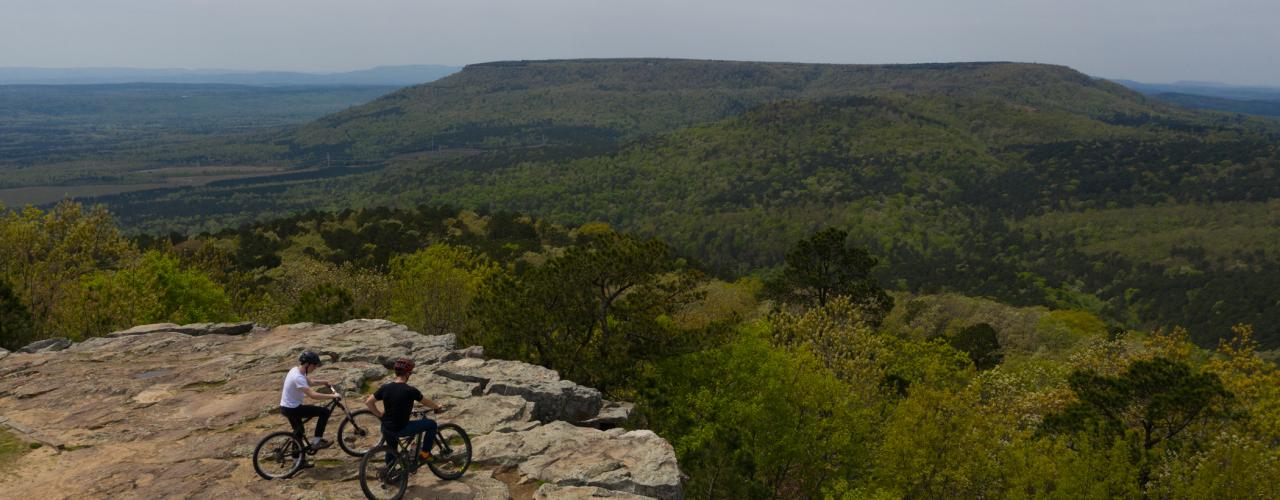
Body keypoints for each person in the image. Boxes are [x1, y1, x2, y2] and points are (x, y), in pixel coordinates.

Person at [365, 357, 445, 463]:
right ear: (407, 374)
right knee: (432, 424)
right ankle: (425, 453)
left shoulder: (385, 387)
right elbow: (426, 402)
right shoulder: (410, 390)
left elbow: (369, 402)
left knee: (392, 449)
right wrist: (437, 406)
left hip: (386, 428)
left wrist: (380, 415)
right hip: (401, 428)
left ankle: (390, 475)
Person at [280, 350, 341, 449]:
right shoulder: (297, 377)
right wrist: (333, 396)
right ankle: (317, 441)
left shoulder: (296, 370)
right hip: (292, 409)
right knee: (324, 412)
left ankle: (298, 461)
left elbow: (310, 382)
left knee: (299, 434)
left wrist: (324, 382)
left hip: (286, 407)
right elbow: (312, 395)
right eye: (314, 365)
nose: (315, 368)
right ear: (307, 364)